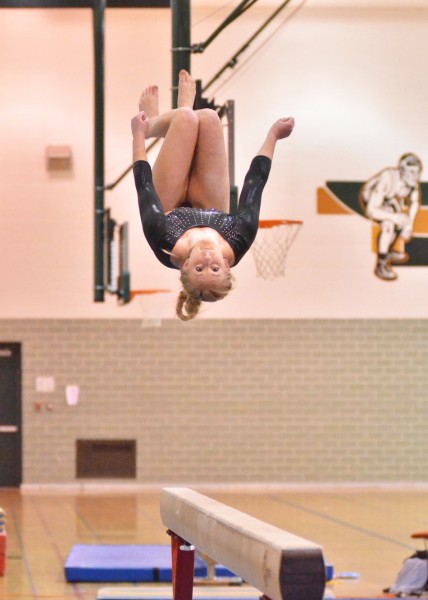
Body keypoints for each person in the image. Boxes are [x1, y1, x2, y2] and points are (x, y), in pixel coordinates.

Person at [131, 70, 295, 319]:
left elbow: (143, 186)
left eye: (199, 267)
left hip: (168, 202)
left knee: (187, 118)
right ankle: (173, 120)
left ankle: (154, 123)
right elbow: (255, 185)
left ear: (186, 265)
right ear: (227, 266)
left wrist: (139, 135)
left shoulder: (164, 240)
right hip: (209, 203)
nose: (207, 257)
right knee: (208, 117)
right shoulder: (239, 238)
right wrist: (273, 136)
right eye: (215, 267)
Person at [360, 153, 423, 281]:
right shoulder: (387, 177)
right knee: (389, 224)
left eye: (417, 172)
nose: (414, 176)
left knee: (402, 220)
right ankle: (381, 263)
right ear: (401, 171)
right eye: (410, 172)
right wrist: (393, 217)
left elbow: (415, 202)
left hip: (388, 199)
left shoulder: (412, 181)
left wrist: (409, 224)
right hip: (372, 199)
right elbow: (371, 209)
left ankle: (388, 250)